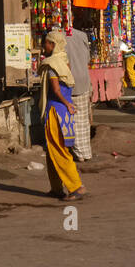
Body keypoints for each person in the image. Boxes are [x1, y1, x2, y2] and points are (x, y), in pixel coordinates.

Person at [37, 31, 84, 201]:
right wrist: (68, 104)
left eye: (47, 43)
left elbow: (56, 90)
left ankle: (76, 187)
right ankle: (56, 188)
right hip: (64, 110)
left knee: (58, 149)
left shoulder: (51, 65)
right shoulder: (65, 61)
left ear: (53, 45)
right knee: (52, 151)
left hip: (56, 110)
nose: (44, 46)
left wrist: (65, 103)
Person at [58, 21, 92, 162]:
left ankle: (79, 153)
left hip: (70, 83)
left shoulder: (58, 37)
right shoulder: (82, 35)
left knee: (73, 120)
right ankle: (86, 152)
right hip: (84, 80)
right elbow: (88, 58)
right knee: (83, 119)